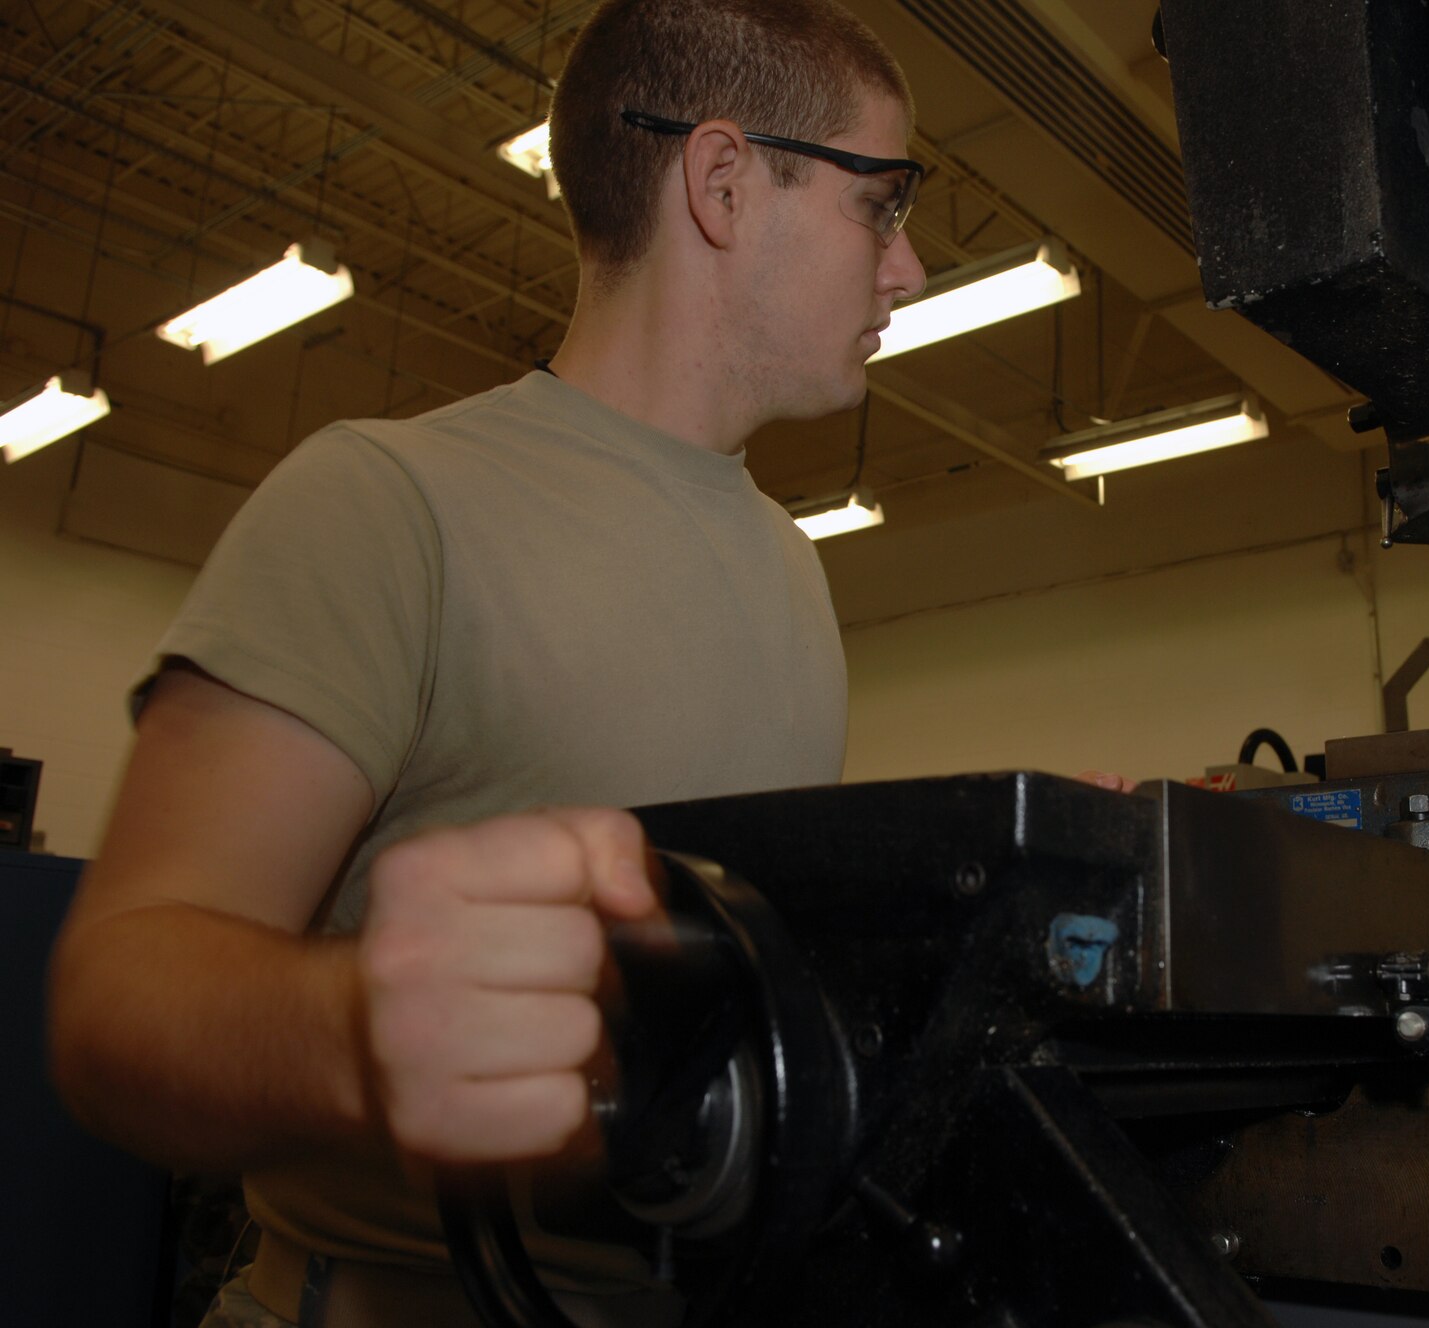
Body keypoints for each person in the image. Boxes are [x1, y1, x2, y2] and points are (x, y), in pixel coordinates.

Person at [46, 1, 926, 1323]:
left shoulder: (791, 563)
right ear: (728, 183)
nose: (908, 271)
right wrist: (358, 1034)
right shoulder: (386, 500)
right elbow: (117, 1006)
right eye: (885, 204)